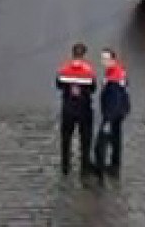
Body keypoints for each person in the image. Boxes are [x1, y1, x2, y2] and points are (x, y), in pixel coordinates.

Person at [55, 43, 97, 177]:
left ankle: (65, 167)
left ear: (73, 53)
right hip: (84, 109)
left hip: (68, 109)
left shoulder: (64, 69)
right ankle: (84, 168)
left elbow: (59, 85)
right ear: (84, 54)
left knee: (66, 139)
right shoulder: (89, 70)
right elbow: (93, 89)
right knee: (85, 140)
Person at [94, 48, 130, 178]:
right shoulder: (118, 71)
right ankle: (115, 166)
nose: (103, 61)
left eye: (106, 59)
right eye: (102, 58)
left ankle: (100, 169)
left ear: (113, 59)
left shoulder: (114, 76)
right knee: (116, 139)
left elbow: (115, 98)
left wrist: (108, 118)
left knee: (101, 143)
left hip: (112, 113)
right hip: (120, 111)